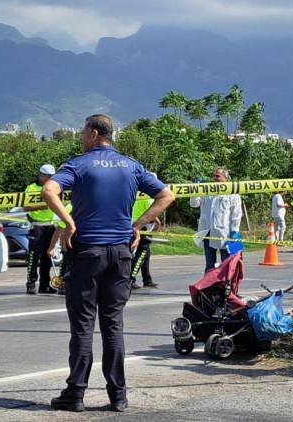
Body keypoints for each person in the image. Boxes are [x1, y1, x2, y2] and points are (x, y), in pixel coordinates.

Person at [41, 114, 174, 413]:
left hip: (87, 253)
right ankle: (118, 395)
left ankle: (75, 394)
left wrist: (68, 222)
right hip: (120, 252)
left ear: (94, 133)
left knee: (83, 326)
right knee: (113, 326)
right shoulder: (131, 165)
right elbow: (167, 195)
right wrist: (137, 225)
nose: (80, 137)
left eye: (82, 131)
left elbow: (49, 190)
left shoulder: (78, 164)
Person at [189, 168, 243, 272]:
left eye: (218, 176)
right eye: (214, 176)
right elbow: (194, 204)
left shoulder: (232, 193)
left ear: (226, 178)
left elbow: (236, 214)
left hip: (225, 233)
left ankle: (226, 285)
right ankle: (209, 286)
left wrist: (234, 231)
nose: (215, 178)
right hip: (207, 231)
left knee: (227, 263)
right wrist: (195, 189)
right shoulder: (208, 190)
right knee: (210, 264)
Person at [24, 164, 58, 294]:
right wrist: (43, 206)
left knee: (47, 257)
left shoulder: (52, 188)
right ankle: (31, 284)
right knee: (33, 256)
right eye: (48, 176)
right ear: (41, 175)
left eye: (52, 177)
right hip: (36, 226)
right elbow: (26, 207)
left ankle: (44, 285)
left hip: (50, 225)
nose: (50, 179)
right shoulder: (31, 188)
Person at [130, 178, 161, 289]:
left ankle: (147, 279)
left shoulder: (136, 190)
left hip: (134, 223)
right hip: (143, 225)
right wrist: (157, 220)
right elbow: (151, 209)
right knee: (141, 253)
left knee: (145, 253)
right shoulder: (148, 193)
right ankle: (131, 279)